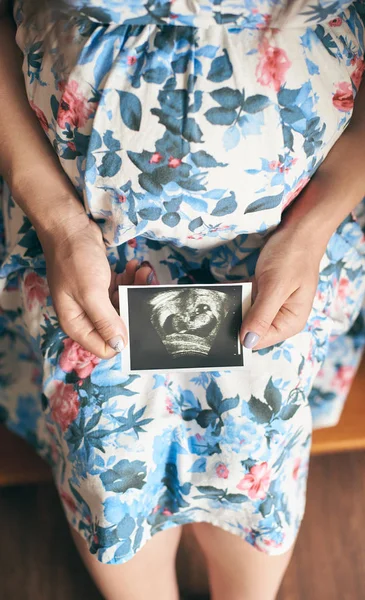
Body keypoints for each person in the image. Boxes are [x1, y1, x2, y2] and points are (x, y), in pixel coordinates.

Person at [1, 0, 365, 598]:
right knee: (110, 472)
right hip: (81, 242)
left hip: (290, 243)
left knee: (257, 463)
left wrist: (315, 223)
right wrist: (57, 221)